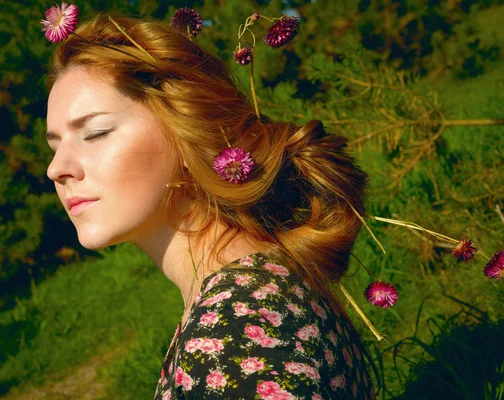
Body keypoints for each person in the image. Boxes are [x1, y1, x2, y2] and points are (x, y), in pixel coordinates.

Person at [44, 9, 377, 399]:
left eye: (95, 133)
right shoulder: (259, 287)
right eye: (53, 146)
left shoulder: (236, 334)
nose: (56, 169)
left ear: (186, 129)